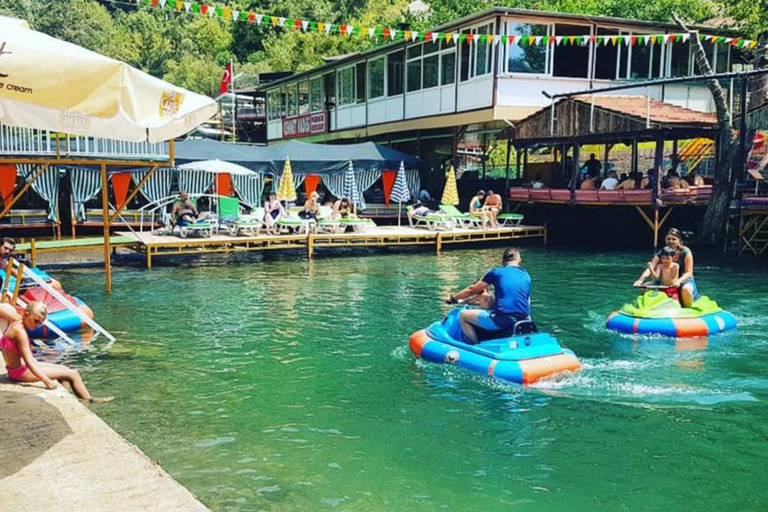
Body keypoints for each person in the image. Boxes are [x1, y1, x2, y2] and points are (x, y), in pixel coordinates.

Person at [0, 302, 110, 402]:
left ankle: (66, 398)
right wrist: (46, 381)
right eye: (36, 321)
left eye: (40, 323)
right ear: (26, 313)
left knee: (66, 369)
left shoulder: (15, 322)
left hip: (16, 369)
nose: (37, 325)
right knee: (73, 374)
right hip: (21, 372)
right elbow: (29, 361)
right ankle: (88, 400)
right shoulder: (20, 333)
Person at [446, 248, 531, 345]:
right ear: (520, 261)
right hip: (524, 319)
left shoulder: (496, 272)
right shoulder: (526, 275)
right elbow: (527, 300)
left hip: (503, 319)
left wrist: (453, 299)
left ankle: (476, 346)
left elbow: (472, 290)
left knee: (463, 316)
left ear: (503, 262)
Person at [633, 227, 699, 308]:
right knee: (645, 288)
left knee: (686, 290)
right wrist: (640, 280)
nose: (671, 241)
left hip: (684, 279)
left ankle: (688, 309)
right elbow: (651, 267)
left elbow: (689, 272)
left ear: (679, 240)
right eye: (668, 239)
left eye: (674, 239)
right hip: (665, 279)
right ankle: (646, 309)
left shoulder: (685, 252)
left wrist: (678, 281)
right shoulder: (663, 252)